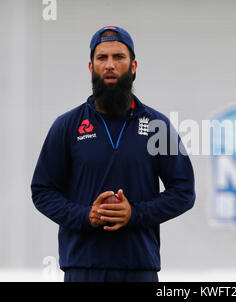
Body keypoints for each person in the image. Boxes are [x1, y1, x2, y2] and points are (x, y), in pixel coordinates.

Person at [31, 26, 196, 282]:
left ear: (133, 66)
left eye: (118, 57)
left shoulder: (158, 126)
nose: (110, 65)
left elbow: (184, 192)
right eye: (102, 58)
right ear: (90, 67)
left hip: (139, 268)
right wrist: (85, 216)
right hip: (82, 268)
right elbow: (42, 191)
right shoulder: (66, 126)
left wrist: (136, 214)